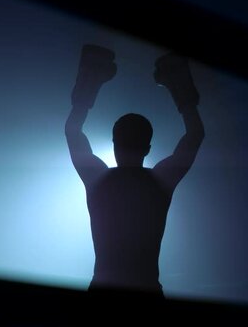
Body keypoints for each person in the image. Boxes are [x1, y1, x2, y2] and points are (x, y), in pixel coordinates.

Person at [65, 45, 205, 300]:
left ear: (114, 144)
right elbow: (195, 135)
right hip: (145, 293)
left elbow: (72, 131)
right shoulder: (160, 181)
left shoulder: (99, 179)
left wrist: (90, 80)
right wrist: (179, 86)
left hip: (104, 294)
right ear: (147, 148)